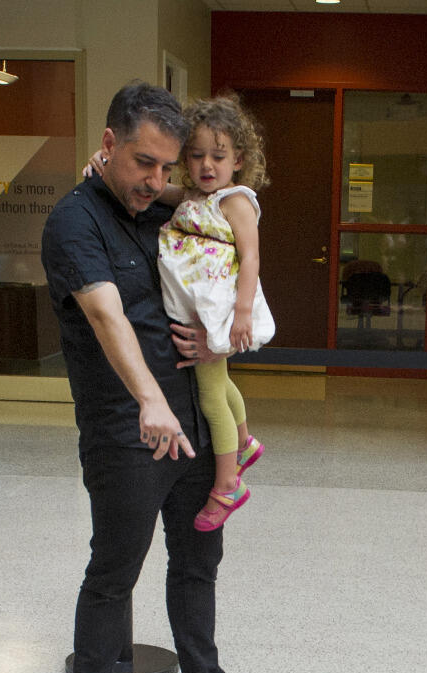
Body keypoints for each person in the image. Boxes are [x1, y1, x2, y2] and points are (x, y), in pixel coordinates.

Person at [40, 80, 282, 673]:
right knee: (114, 571)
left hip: (194, 425)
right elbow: (106, 316)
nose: (158, 179)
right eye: (145, 162)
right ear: (109, 145)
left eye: (167, 167)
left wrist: (215, 348)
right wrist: (149, 401)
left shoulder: (162, 210)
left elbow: (218, 264)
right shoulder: (75, 222)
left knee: (198, 564)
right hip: (126, 428)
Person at [155, 95, 274, 531]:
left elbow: (252, 257)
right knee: (221, 382)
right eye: (197, 154)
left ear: (238, 159)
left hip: (219, 312)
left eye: (218, 156)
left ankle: (228, 484)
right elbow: (153, 190)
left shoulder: (236, 201)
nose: (207, 165)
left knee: (210, 393)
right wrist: (106, 164)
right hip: (199, 307)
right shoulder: (190, 196)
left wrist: (241, 313)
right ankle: (243, 443)